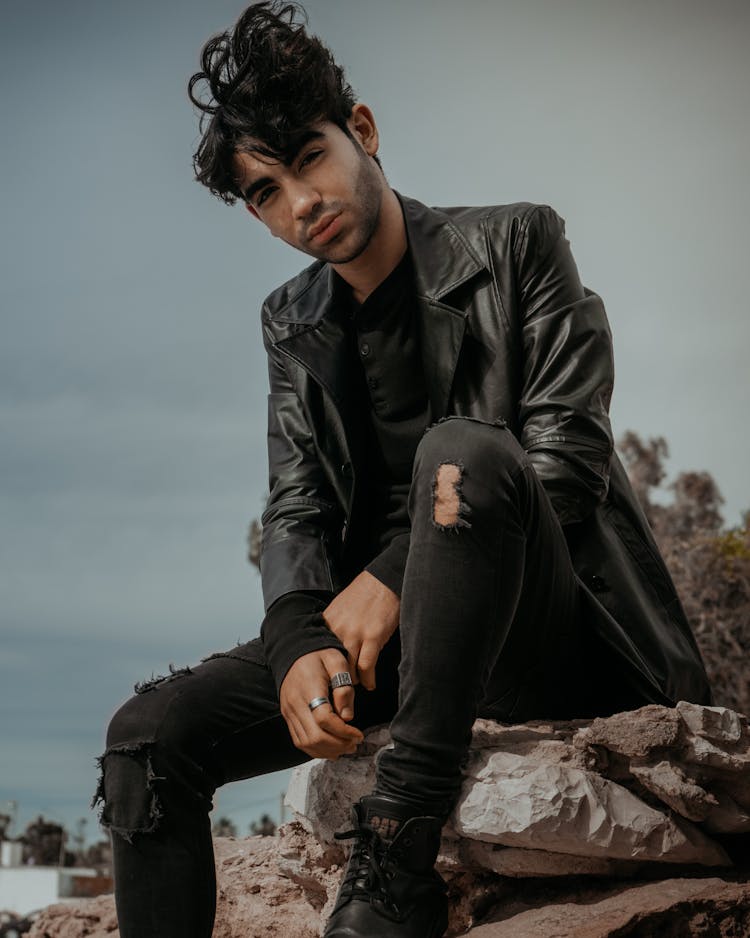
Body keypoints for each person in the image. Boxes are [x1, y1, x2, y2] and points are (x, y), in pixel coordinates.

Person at [94, 3, 712, 937]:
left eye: (306, 157)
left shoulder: (518, 243)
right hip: (400, 648)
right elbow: (294, 502)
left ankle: (394, 861)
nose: (299, 203)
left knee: (459, 452)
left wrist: (393, 573)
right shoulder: (290, 321)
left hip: (549, 633)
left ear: (365, 132)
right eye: (264, 192)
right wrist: (301, 635)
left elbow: (568, 466)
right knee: (146, 738)